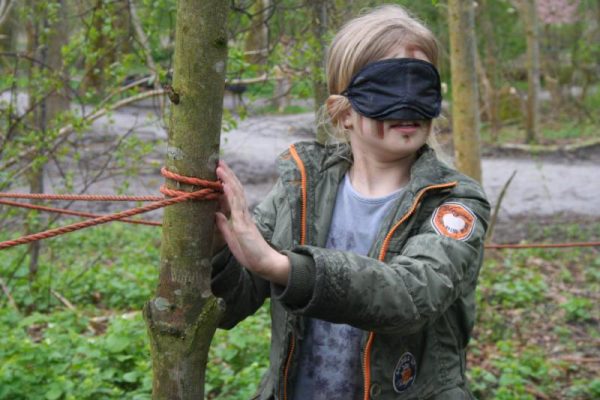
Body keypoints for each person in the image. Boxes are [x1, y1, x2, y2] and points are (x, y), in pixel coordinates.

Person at [211, 5, 490, 400]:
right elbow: (231, 304)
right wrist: (218, 240)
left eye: (421, 85)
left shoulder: (455, 203)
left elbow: (410, 296)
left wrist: (280, 266)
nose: (408, 104)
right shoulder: (300, 189)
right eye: (389, 87)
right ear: (343, 112)